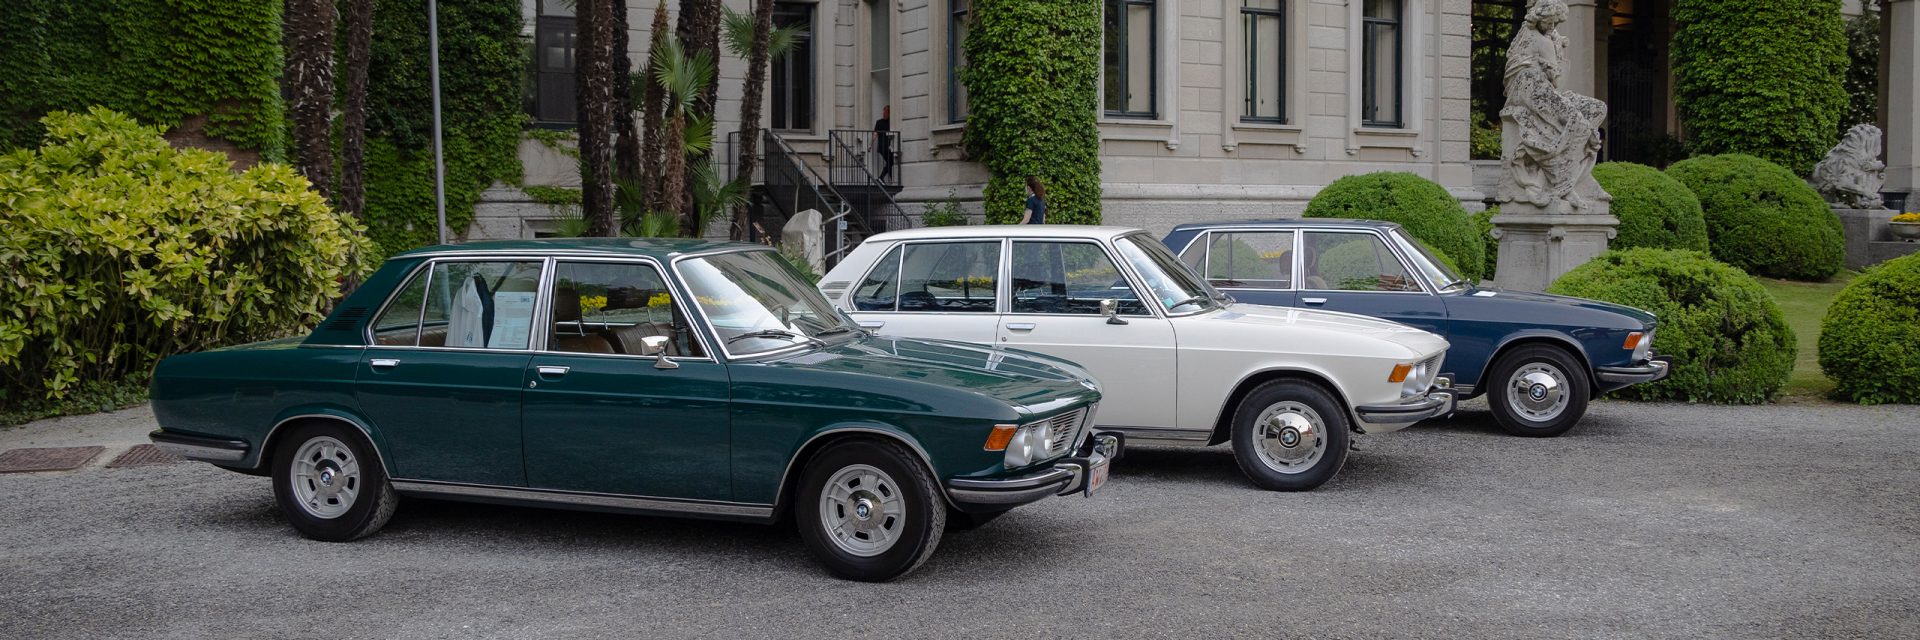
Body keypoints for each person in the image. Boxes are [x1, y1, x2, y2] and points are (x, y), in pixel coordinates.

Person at [873, 106, 895, 182]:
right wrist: (870, 144)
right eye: (883, 111)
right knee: (890, 162)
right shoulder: (879, 122)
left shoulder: (891, 122)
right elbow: (875, 134)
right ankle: (882, 178)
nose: (884, 113)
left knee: (890, 162)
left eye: (886, 112)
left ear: (889, 113)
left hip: (889, 147)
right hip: (883, 147)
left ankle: (885, 178)